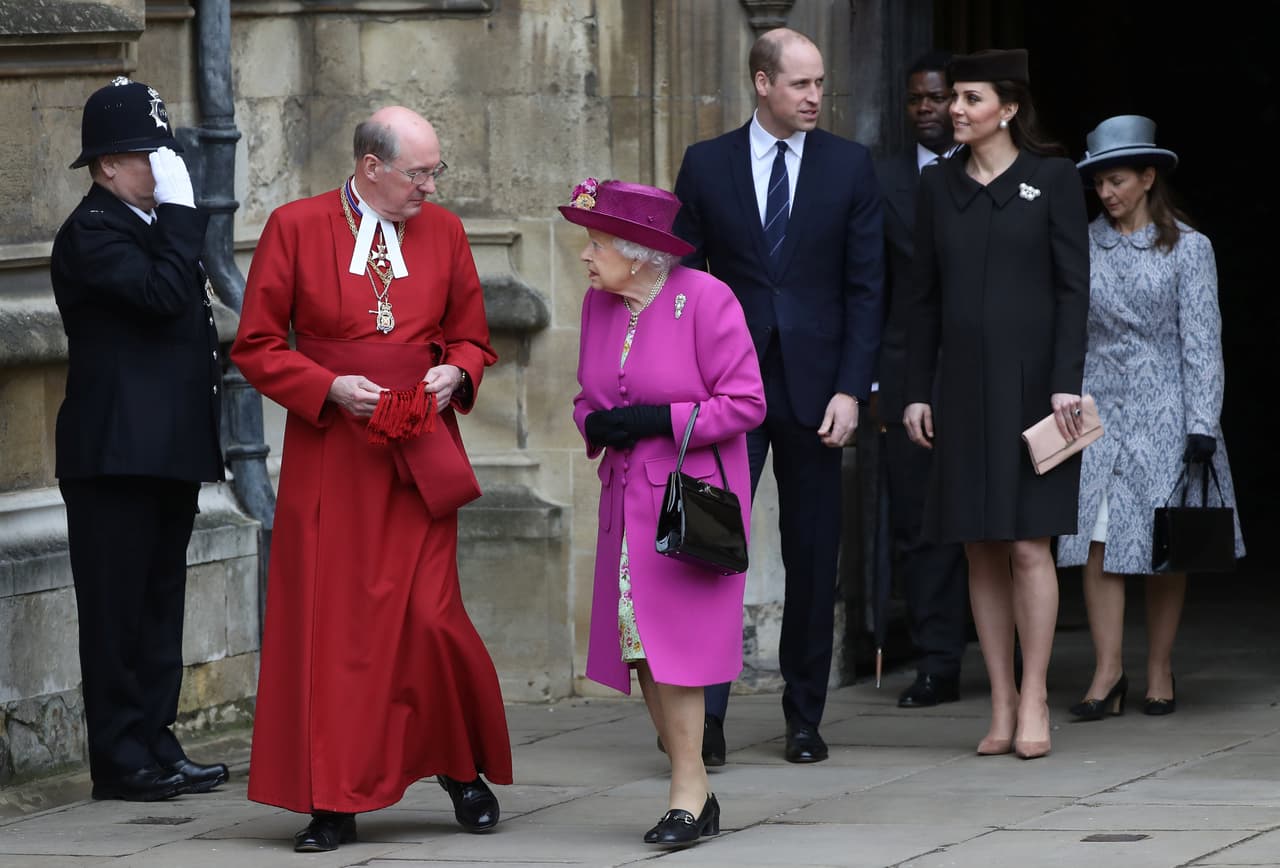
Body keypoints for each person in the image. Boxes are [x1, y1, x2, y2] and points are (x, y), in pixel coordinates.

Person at [230, 106, 511, 852]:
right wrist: (325, 387)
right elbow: (256, 345)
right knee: (338, 632)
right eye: (419, 172)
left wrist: (458, 368)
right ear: (369, 167)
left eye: (434, 170)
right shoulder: (294, 226)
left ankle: (459, 766)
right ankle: (334, 797)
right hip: (336, 455)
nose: (430, 185)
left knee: (431, 619)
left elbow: (472, 332)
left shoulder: (445, 232)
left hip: (422, 447)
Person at [672, 27, 884, 764]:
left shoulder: (850, 167)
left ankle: (804, 718)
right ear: (762, 83)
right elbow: (681, 284)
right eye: (801, 84)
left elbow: (867, 290)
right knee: (712, 552)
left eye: (820, 83)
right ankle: (711, 723)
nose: (816, 96)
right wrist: (687, 384)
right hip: (727, 394)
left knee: (813, 554)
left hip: (818, 393)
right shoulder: (705, 166)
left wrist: (853, 390)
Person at [565, 178, 765, 846]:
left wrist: (659, 418)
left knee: (671, 648)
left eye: (596, 244)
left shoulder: (706, 300)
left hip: (685, 508)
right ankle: (693, 788)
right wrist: (600, 425)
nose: (587, 257)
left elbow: (745, 403)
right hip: (625, 502)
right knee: (639, 646)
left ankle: (687, 791)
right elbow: (584, 398)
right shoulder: (599, 307)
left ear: (642, 252)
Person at [901, 49, 1089, 760]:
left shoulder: (1053, 179)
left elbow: (1075, 287)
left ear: (1007, 108)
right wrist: (918, 390)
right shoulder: (937, 186)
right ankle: (1002, 701)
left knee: (1026, 543)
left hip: (1037, 387)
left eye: (969, 98)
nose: (953, 109)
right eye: (953, 97)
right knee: (977, 544)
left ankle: (1037, 693)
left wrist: (1066, 378)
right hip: (961, 388)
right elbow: (920, 298)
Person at [51, 77, 229, 802]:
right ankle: (120, 759)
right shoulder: (93, 230)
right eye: (148, 155)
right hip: (115, 457)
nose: (163, 168)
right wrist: (186, 216)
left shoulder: (152, 230)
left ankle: (155, 739)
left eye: (166, 153)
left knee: (159, 609)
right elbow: (159, 298)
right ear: (107, 166)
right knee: (117, 612)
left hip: (164, 452)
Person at [1059, 115, 1245, 719]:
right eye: (1099, 184)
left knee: (1167, 541)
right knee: (1096, 540)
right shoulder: (1082, 244)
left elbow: (1202, 341)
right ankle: (1108, 671)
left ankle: (1159, 667)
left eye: (1116, 180)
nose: (1106, 193)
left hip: (1168, 411)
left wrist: (1203, 424)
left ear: (1147, 177)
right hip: (1096, 411)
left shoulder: (1190, 248)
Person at [874, 51, 970, 709]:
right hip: (907, 374)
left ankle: (1006, 650)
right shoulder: (880, 181)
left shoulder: (990, 174)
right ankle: (937, 660)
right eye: (916, 100)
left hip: (983, 372)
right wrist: (874, 383)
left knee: (994, 522)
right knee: (918, 524)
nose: (927, 109)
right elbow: (868, 287)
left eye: (937, 97)